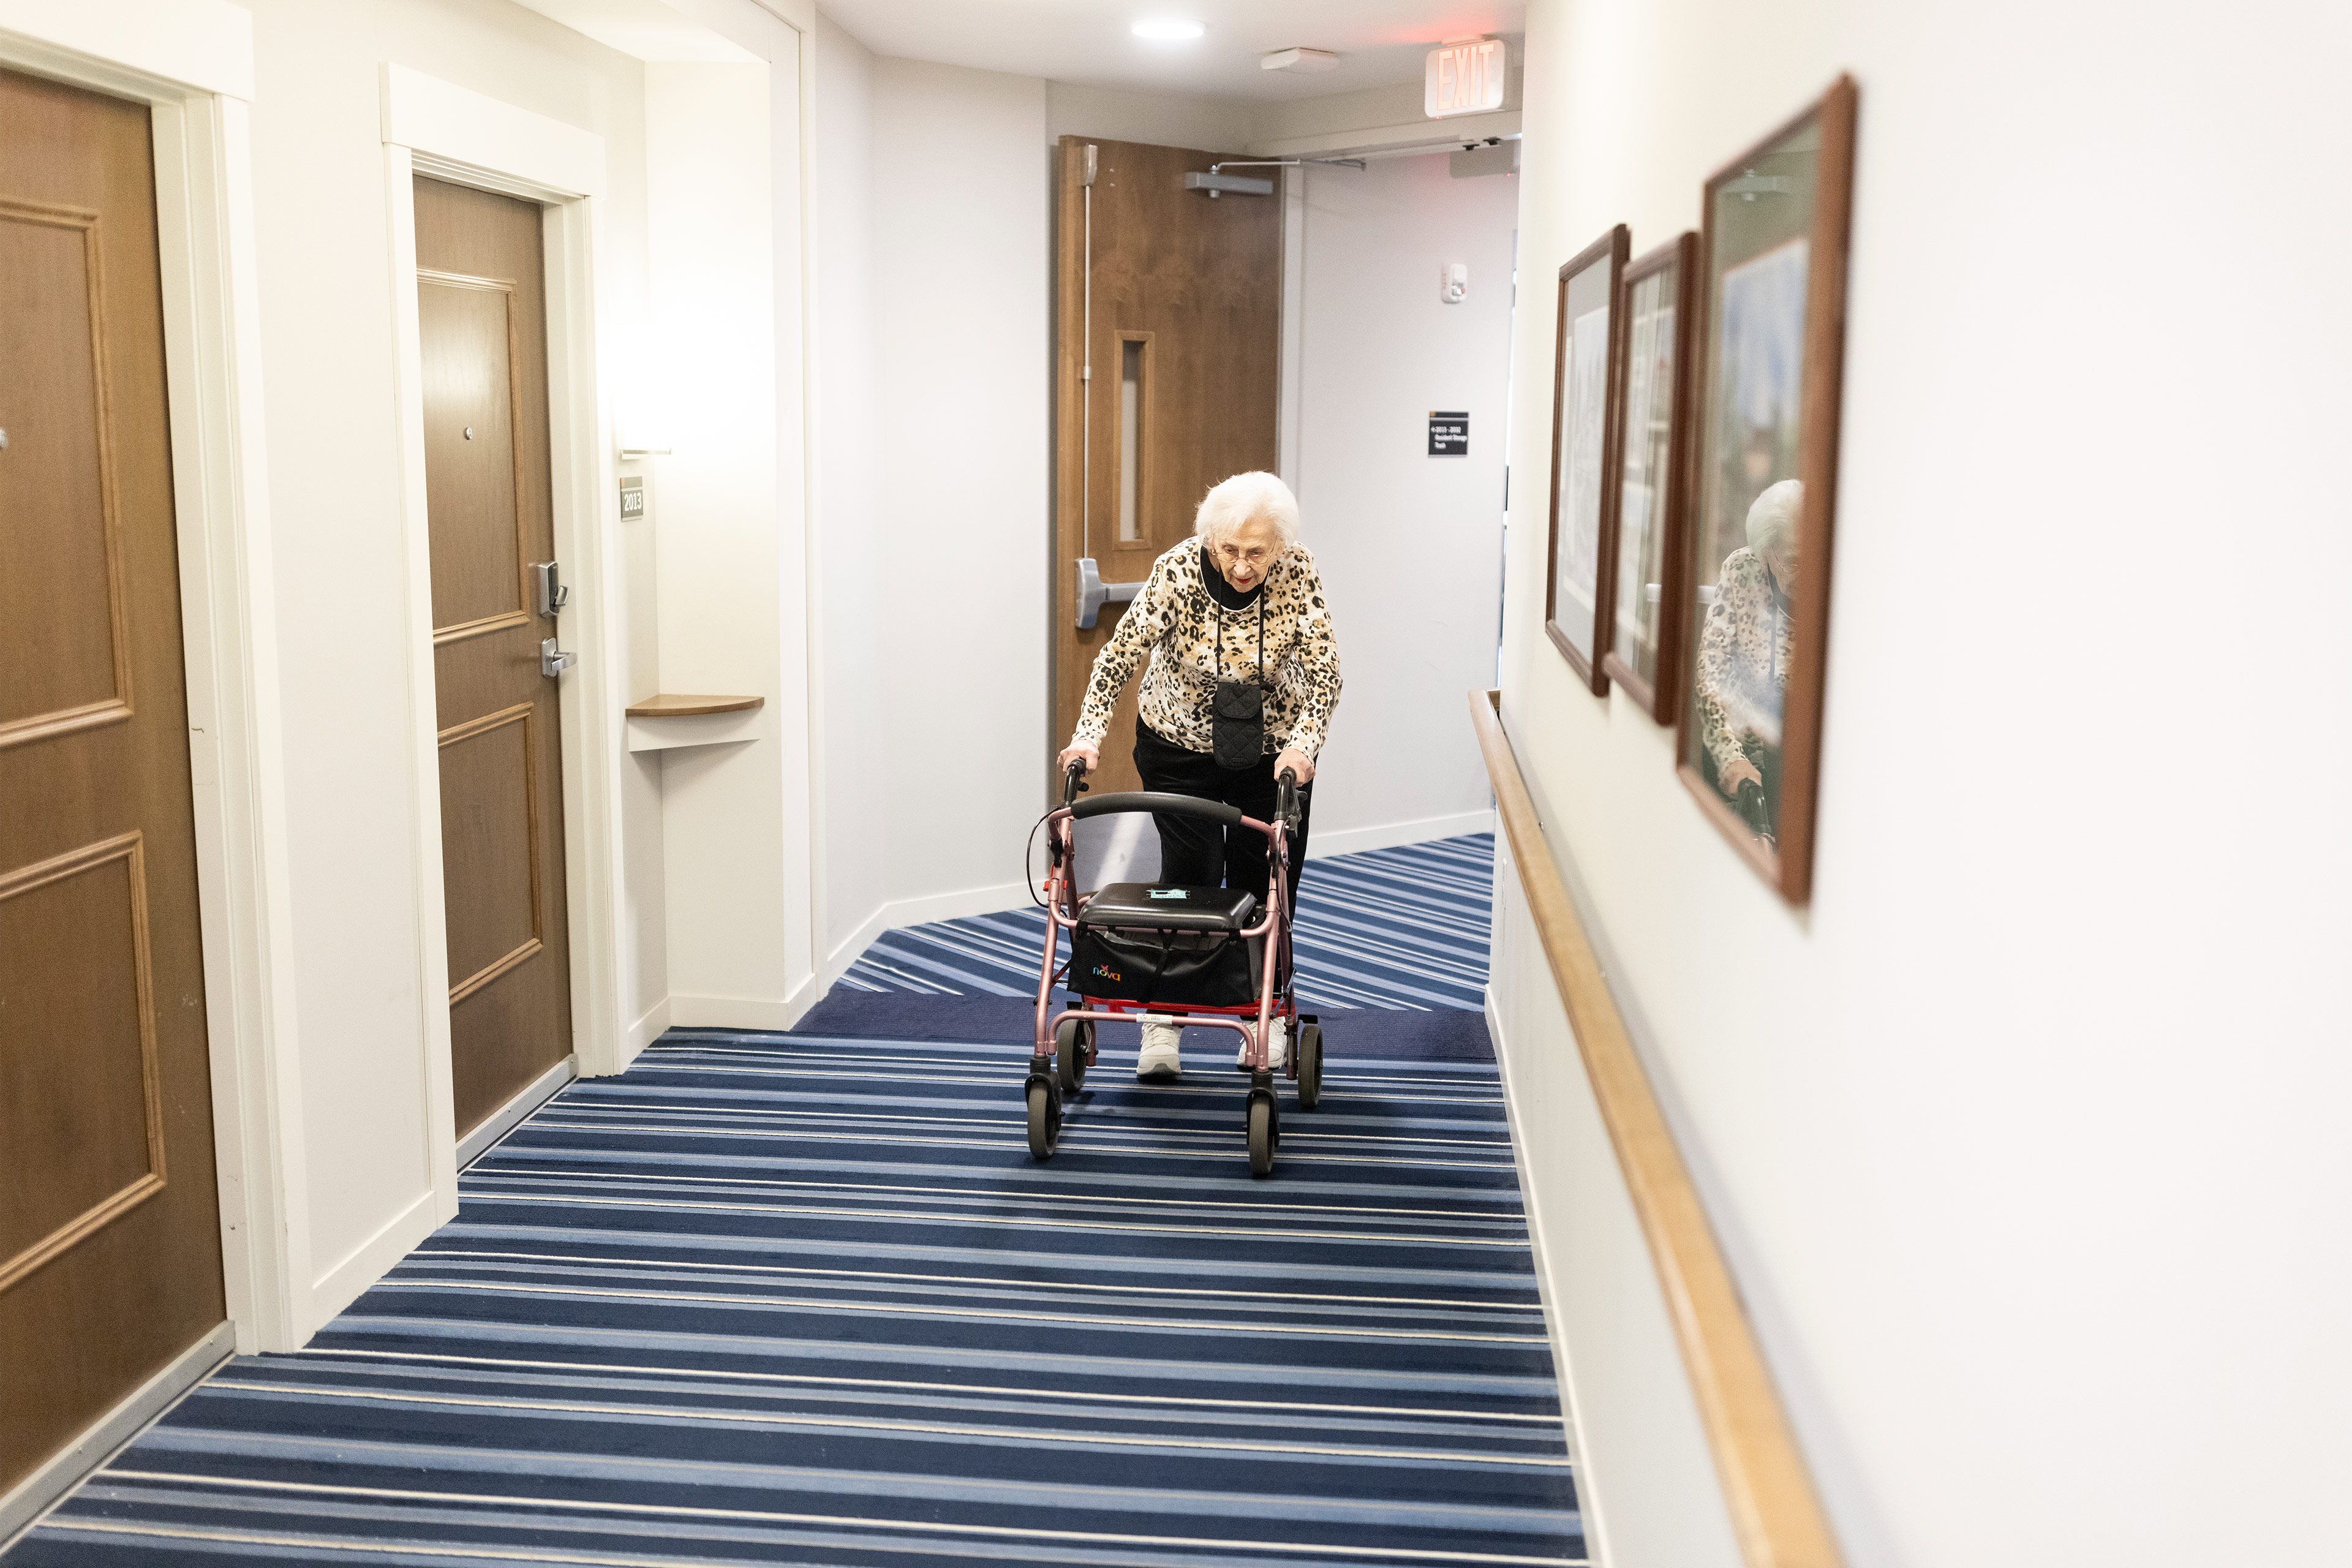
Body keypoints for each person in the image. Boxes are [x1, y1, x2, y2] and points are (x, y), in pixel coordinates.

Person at [1055, 471, 1343, 1081]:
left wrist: (1303, 744)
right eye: (1231, 550)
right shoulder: (1178, 570)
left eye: (1257, 552)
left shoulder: (1299, 572)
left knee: (1263, 886)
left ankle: (1260, 1018)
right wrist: (1089, 734)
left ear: (1281, 545)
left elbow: (1324, 677)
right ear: (1212, 541)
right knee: (1187, 882)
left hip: (1271, 754)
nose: (1242, 566)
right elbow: (1119, 655)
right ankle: (1164, 1020)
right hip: (1177, 745)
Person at [1694, 478, 1800, 842]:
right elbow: (1712, 672)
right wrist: (1730, 756)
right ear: (1766, 552)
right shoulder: (1742, 572)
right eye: (1793, 560)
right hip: (1744, 748)